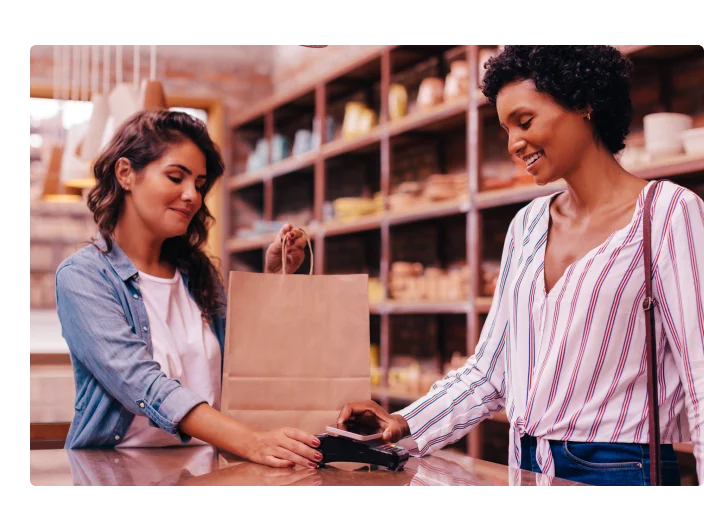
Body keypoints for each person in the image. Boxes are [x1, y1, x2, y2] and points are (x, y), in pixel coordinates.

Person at [337, 45, 704, 487]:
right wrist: (403, 422)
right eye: (505, 130)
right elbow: (491, 371)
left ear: (584, 103)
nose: (514, 144)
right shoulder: (528, 224)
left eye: (525, 122)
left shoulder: (668, 214)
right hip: (526, 464)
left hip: (621, 470)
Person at [56, 109, 323, 470]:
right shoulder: (83, 277)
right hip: (116, 474)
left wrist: (274, 279)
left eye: (198, 183)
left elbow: (246, 363)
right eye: (176, 177)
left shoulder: (197, 273)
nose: (192, 196)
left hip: (207, 468)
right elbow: (144, 384)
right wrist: (252, 441)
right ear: (125, 174)